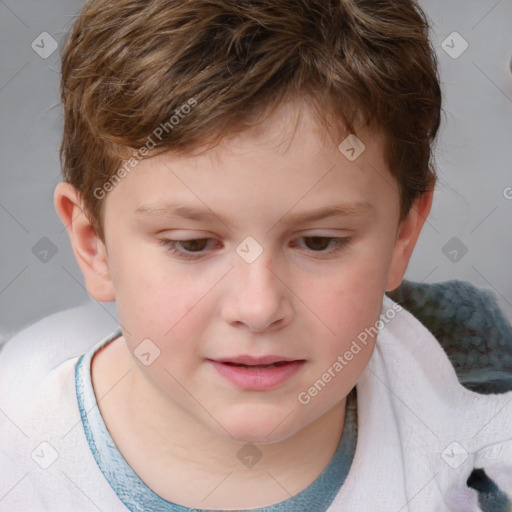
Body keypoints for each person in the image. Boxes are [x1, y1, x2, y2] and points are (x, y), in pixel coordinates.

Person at [1, 0, 511, 510]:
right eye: (193, 244)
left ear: (403, 233)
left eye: (319, 242)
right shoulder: (19, 464)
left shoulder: (477, 403)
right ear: (95, 247)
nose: (259, 307)